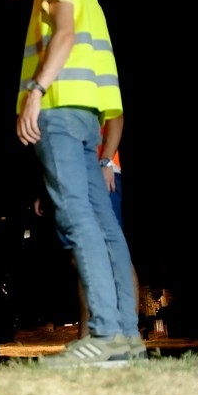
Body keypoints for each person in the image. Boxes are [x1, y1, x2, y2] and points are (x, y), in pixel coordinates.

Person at [5, 0, 144, 367]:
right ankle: (127, 338)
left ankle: (102, 333)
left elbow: (63, 34)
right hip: (87, 115)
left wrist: (35, 91)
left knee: (77, 220)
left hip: (60, 111)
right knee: (105, 226)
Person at [34, 115, 144, 351]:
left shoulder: (88, 79)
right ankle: (88, 338)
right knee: (82, 257)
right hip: (69, 175)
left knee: (110, 254)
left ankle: (127, 338)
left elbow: (116, 116)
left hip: (98, 171)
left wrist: (105, 162)